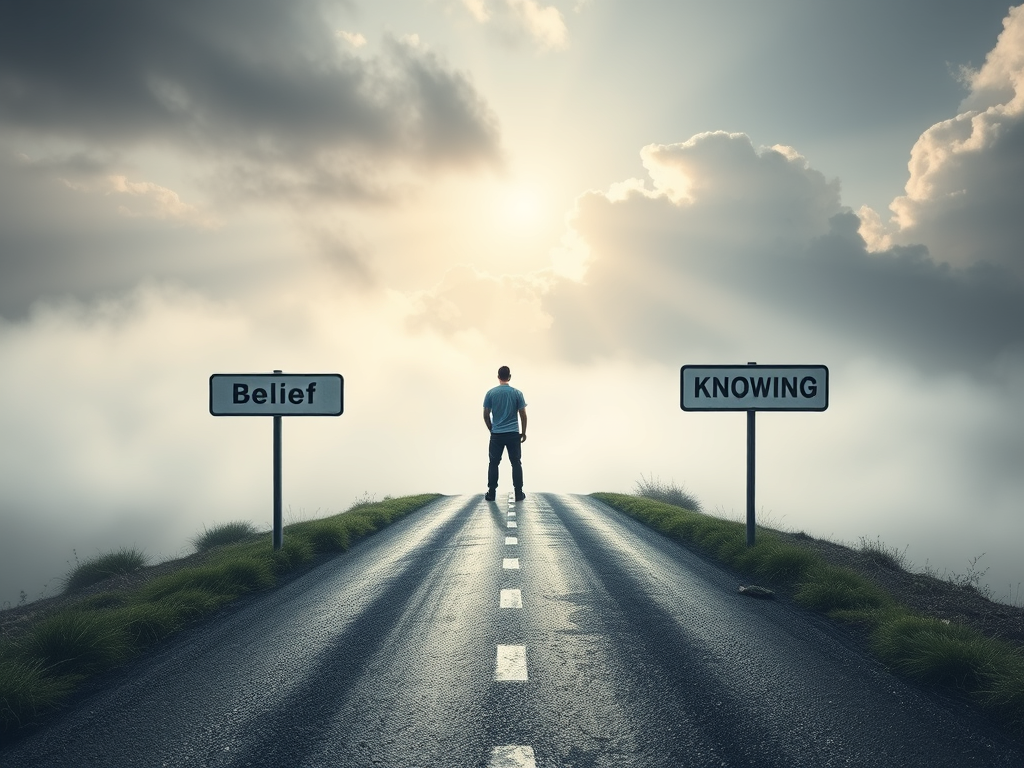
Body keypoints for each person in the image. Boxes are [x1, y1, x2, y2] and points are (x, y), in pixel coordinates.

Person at [483, 366, 527, 502]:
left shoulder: (491, 393)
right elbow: (523, 415)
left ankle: (491, 492)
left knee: (494, 463)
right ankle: (518, 493)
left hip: (497, 434)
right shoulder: (517, 393)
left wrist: (492, 429)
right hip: (513, 433)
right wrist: (523, 432)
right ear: (509, 377)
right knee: (516, 463)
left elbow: (485, 414)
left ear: (498, 377)